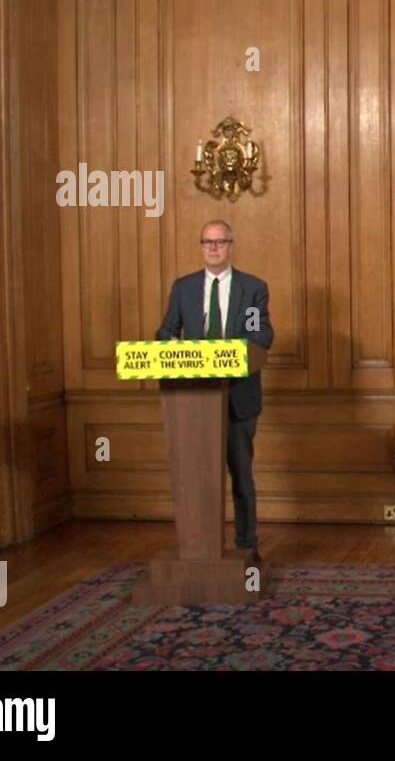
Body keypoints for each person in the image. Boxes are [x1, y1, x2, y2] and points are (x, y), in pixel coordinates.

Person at [155, 219, 274, 551]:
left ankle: (246, 546)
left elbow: (260, 334)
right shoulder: (184, 288)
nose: (213, 248)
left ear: (230, 245)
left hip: (238, 397)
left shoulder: (251, 288)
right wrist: (173, 346)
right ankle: (199, 548)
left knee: (241, 476)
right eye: (207, 242)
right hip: (194, 399)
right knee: (197, 477)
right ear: (201, 246)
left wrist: (227, 353)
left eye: (219, 242)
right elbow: (166, 331)